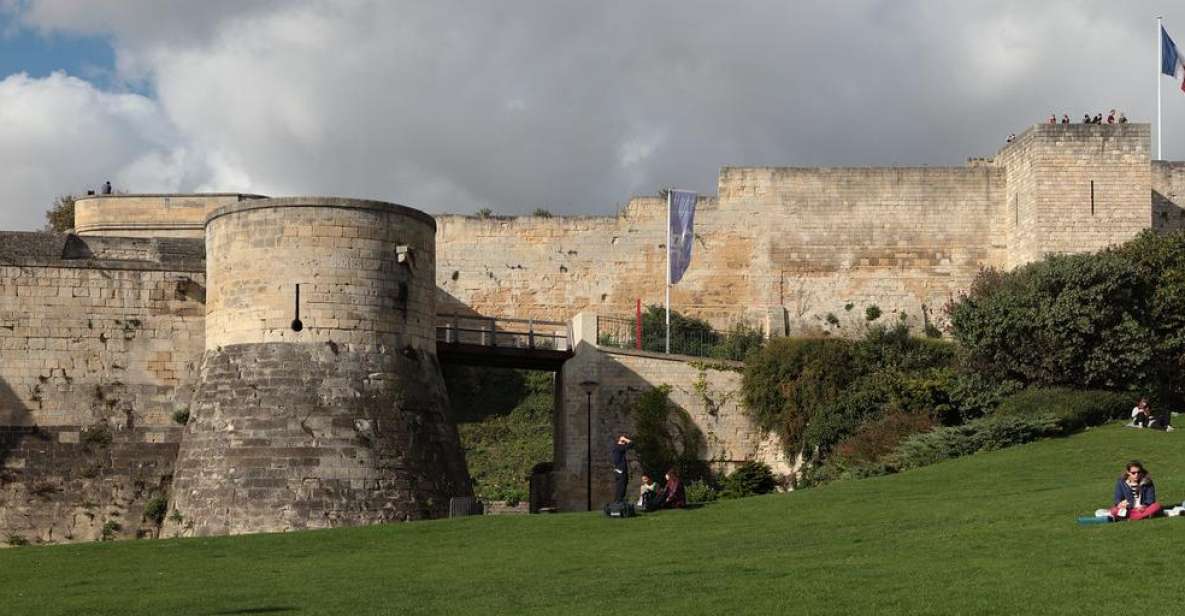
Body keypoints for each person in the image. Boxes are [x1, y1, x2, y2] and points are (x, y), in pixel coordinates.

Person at [610, 434, 633, 503]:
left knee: (620, 487)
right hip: (621, 471)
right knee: (622, 486)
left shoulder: (617, 448)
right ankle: (619, 502)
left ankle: (617, 502)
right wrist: (624, 439)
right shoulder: (619, 447)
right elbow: (632, 444)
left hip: (618, 471)